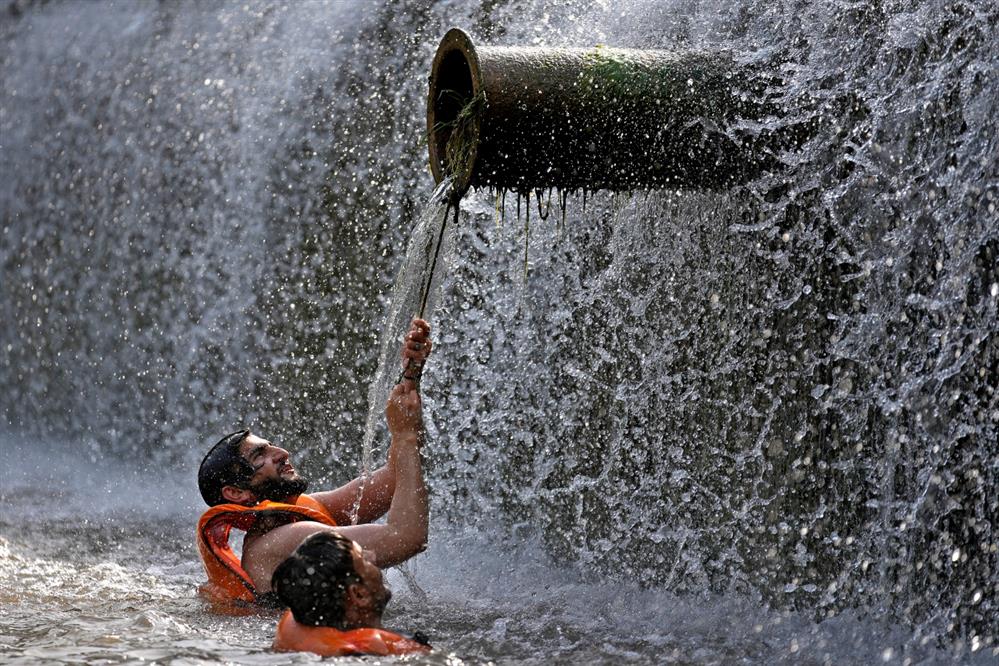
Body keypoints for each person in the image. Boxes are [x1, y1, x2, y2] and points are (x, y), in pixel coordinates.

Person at [195, 318, 431, 613]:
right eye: (260, 455)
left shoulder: (303, 513)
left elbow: (399, 477)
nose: (282, 452)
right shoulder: (279, 542)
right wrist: (406, 436)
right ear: (236, 493)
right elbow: (407, 538)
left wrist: (409, 378)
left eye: (271, 446)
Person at [270, 516, 431, 656]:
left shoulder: (300, 626)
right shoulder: (383, 653)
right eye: (364, 559)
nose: (373, 556)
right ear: (359, 595)